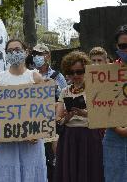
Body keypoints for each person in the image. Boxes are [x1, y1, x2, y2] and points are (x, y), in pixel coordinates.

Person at [0, 39, 47, 182]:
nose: (14, 53)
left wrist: (38, 133)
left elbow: (43, 109)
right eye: (10, 51)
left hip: (30, 141)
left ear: (26, 52)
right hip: (5, 144)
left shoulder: (35, 77)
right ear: (5, 54)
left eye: (17, 50)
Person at [54, 51, 104, 182]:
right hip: (69, 137)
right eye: (71, 72)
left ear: (86, 70)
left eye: (79, 71)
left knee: (91, 172)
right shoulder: (64, 92)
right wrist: (67, 117)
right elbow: (58, 120)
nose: (75, 75)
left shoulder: (95, 89)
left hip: (90, 136)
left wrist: (85, 113)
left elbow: (103, 116)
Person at [31, 43, 67, 182]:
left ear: (48, 56)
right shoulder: (29, 74)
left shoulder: (58, 76)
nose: (37, 57)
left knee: (53, 158)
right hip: (34, 121)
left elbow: (65, 98)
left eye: (41, 54)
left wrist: (54, 86)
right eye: (35, 54)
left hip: (52, 122)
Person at [102, 24, 127, 182]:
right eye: (123, 46)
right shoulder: (106, 73)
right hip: (113, 136)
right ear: (116, 47)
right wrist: (118, 128)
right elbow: (100, 104)